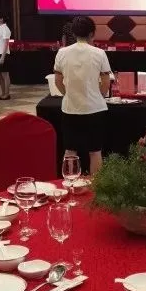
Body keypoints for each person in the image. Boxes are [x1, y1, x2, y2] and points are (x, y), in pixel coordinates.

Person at [54, 16, 111, 174]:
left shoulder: (62, 53)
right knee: (95, 151)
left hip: (70, 108)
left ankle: (69, 184)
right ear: (92, 33)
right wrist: (98, 95)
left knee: (70, 150)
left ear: (73, 33)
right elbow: (106, 82)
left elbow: (58, 81)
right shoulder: (99, 53)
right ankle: (96, 186)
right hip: (95, 109)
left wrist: (68, 94)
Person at [0, 12, 12, 100]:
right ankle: (3, 93)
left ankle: (7, 94)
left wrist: (3, 56)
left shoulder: (5, 29)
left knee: (5, 75)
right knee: (0, 75)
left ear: (1, 19)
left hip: (3, 54)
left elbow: (6, 43)